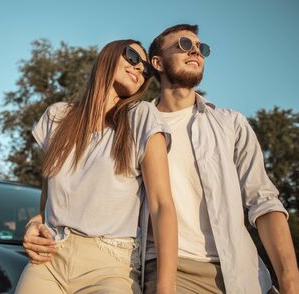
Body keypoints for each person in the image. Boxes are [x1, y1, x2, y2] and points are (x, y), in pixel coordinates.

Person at [23, 25, 299, 294]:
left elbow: (264, 202)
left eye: (201, 48)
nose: (196, 52)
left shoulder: (231, 124)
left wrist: (290, 283)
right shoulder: (133, 122)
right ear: (158, 62)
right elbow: (67, 194)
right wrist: (36, 221)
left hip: (238, 270)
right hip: (166, 269)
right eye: (184, 45)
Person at [15, 39, 178, 294]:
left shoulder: (141, 116)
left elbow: (162, 205)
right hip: (49, 261)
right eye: (132, 57)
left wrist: (166, 288)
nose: (139, 69)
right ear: (108, 56)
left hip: (110, 267)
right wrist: (32, 226)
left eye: (145, 69)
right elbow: (47, 202)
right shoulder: (57, 117)